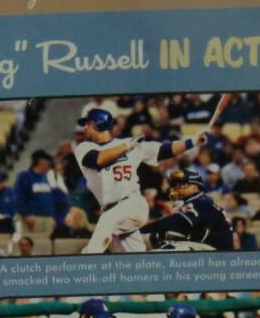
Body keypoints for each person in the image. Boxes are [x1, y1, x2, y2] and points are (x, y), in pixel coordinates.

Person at [73, 108, 209, 254]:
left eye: (88, 123)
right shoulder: (84, 147)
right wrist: (126, 147)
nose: (84, 127)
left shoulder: (130, 144)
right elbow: (98, 160)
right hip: (114, 212)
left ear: (99, 124)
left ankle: (86, 261)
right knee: (135, 256)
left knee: (105, 223)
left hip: (132, 204)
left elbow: (164, 150)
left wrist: (192, 142)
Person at [139, 166, 233, 252]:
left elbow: (175, 221)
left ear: (194, 187)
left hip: (214, 252)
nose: (176, 187)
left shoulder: (201, 201)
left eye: (181, 184)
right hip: (210, 249)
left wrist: (142, 229)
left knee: (158, 253)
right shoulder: (201, 201)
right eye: (176, 184)